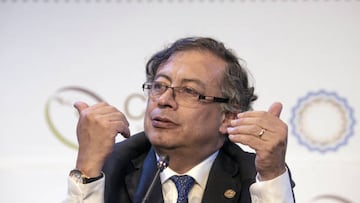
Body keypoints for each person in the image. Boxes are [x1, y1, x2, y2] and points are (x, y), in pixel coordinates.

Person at [66, 36, 295, 203]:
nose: (164, 100)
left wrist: (272, 173)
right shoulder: (112, 165)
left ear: (228, 117)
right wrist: (86, 169)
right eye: (159, 86)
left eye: (188, 91)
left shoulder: (255, 176)